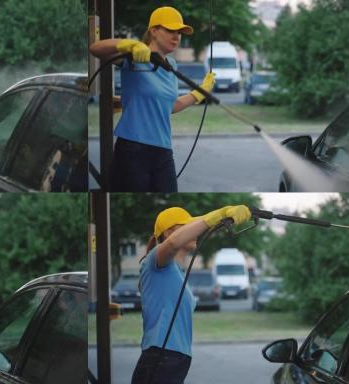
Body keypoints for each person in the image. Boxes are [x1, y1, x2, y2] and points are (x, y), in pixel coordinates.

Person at [89, 6, 216, 192]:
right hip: (133, 150)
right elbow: (96, 48)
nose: (177, 36)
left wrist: (199, 93)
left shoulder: (171, 65)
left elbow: (171, 106)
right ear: (154, 31)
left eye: (179, 32)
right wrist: (129, 45)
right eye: (171, 30)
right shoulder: (134, 56)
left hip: (163, 150)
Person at [131, 205, 251, 384]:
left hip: (175, 359)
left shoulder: (177, 272)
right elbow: (172, 244)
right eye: (186, 227)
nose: (194, 231)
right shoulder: (155, 261)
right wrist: (218, 215)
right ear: (167, 233)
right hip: (161, 355)